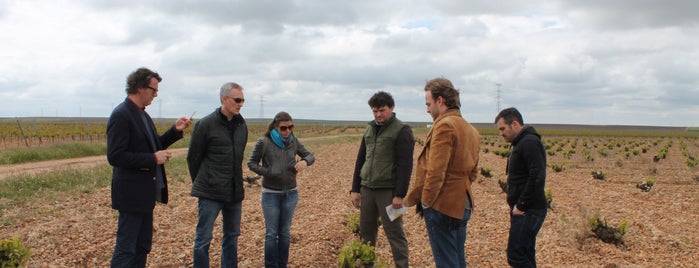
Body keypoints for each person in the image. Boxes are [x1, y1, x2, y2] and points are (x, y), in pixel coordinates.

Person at [107, 67, 193, 267]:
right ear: (139, 87)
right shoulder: (122, 114)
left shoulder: (142, 115)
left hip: (145, 193)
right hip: (131, 194)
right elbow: (115, 156)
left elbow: (155, 146)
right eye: (153, 90)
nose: (156, 95)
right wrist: (152, 159)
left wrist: (174, 131)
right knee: (126, 248)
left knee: (142, 246)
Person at [404, 77, 480, 268]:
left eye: (428, 104)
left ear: (440, 101)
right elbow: (473, 173)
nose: (427, 109)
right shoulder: (471, 130)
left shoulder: (444, 125)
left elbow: (435, 172)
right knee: (458, 259)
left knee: (446, 262)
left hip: (443, 205)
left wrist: (427, 202)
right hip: (464, 202)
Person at [187, 82, 248, 268]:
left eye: (243, 100)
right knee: (203, 239)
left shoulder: (241, 125)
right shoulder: (206, 124)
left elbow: (238, 158)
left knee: (232, 238)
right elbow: (193, 158)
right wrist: (205, 182)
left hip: (234, 192)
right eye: (237, 100)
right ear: (224, 99)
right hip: (210, 193)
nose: (241, 104)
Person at [349, 91, 414, 267]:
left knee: (395, 233)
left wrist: (399, 194)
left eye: (382, 110)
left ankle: (402, 265)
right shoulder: (369, 129)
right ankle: (366, 264)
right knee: (366, 233)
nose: (378, 114)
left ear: (392, 108)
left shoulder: (402, 130)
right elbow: (361, 159)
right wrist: (355, 189)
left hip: (389, 192)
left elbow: (405, 165)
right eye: (374, 111)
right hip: (367, 189)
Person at [247, 111, 315, 268]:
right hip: (270, 195)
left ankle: (282, 264)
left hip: (291, 193)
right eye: (284, 128)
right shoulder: (264, 142)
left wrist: (305, 161)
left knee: (284, 233)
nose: (288, 131)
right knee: (271, 234)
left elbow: (310, 156)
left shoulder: (294, 141)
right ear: (275, 127)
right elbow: (251, 163)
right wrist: (269, 172)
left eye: (291, 127)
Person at [494, 107, 547, 268]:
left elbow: (537, 175)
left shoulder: (529, 142)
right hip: (525, 210)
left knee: (516, 256)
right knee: (526, 253)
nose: (501, 133)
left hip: (528, 210)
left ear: (515, 124)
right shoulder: (521, 142)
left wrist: (521, 204)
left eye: (503, 128)